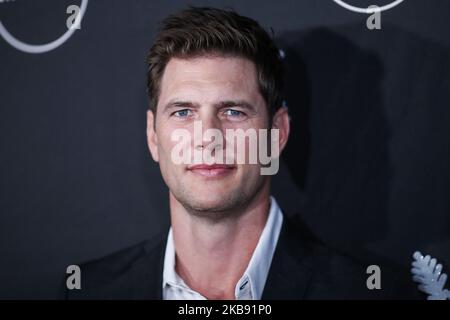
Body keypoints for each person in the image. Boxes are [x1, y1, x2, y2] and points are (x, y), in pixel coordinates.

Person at [66, 6, 419, 300]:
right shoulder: (91, 290)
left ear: (277, 133)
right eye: (183, 112)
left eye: (233, 111)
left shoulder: (370, 294)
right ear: (153, 136)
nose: (208, 137)